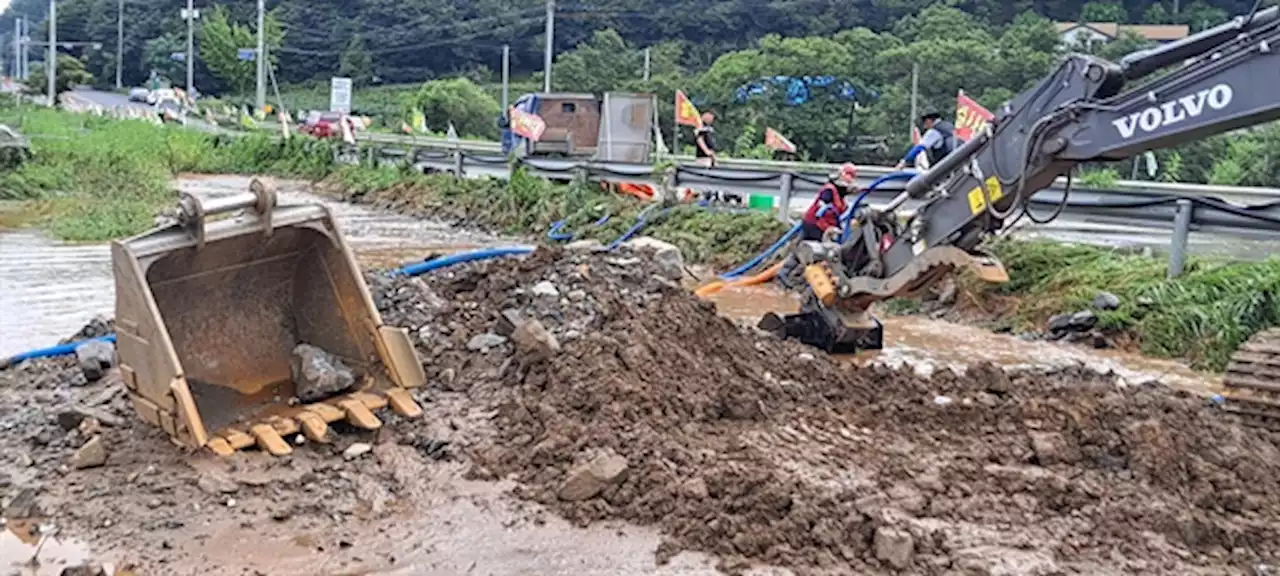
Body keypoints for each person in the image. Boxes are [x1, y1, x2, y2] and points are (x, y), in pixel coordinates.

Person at [801, 162, 859, 242]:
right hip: (814, 224)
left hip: (825, 226)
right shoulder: (829, 190)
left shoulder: (840, 197)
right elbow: (821, 209)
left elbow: (844, 212)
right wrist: (830, 228)